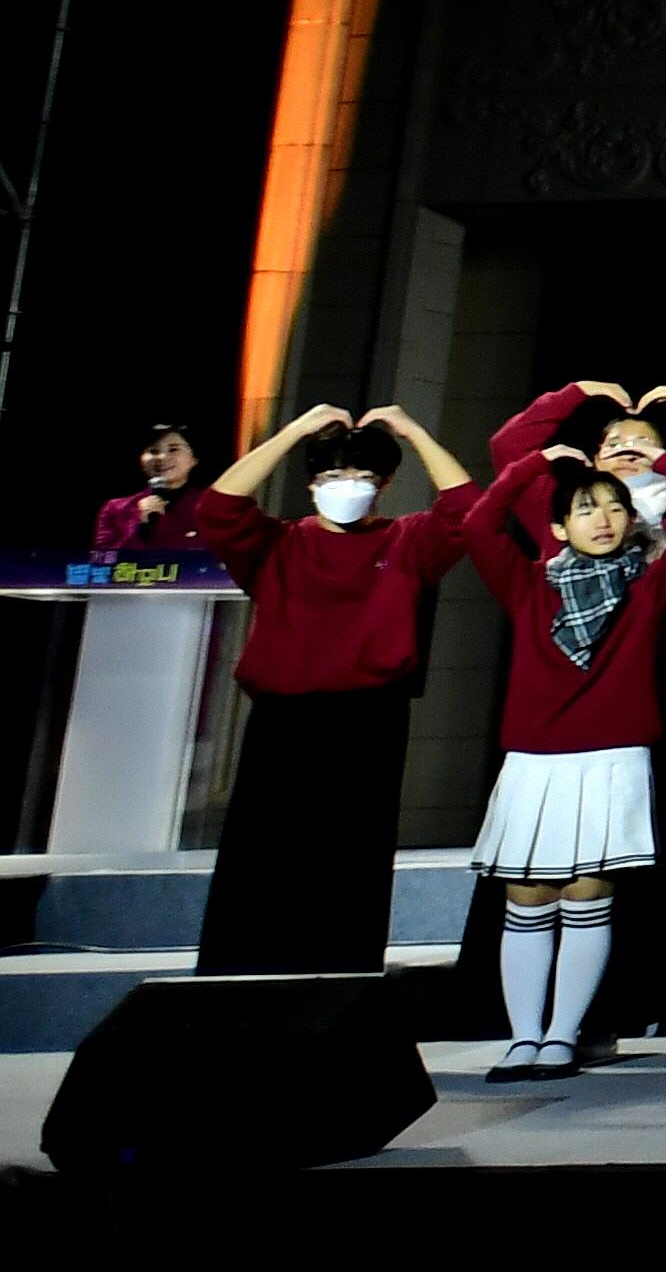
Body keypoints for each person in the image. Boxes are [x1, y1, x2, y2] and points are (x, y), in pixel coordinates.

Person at [466, 386, 666, 1078]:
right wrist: (549, 445)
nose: (603, 513)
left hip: (621, 739)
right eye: (589, 501)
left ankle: (567, 1034)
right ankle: (524, 1036)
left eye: (615, 504)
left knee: (593, 892)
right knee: (529, 893)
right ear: (562, 520)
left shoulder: (659, 565)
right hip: (538, 754)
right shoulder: (537, 572)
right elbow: (481, 520)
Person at [187, 406, 478, 975]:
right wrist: (294, 432)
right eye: (331, 477)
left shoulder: (407, 540)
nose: (346, 488)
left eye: (363, 478)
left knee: (351, 858)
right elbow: (218, 506)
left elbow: (468, 510)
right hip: (284, 719)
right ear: (311, 483)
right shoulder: (276, 544)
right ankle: (238, 975)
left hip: (369, 718)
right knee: (262, 854)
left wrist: (414, 430)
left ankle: (343, 974)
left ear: (385, 484)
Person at [96, 422, 210, 555]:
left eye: (173, 449)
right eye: (153, 451)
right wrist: (141, 526)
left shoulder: (212, 504)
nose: (162, 457)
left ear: (194, 459)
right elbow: (102, 565)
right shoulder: (115, 509)